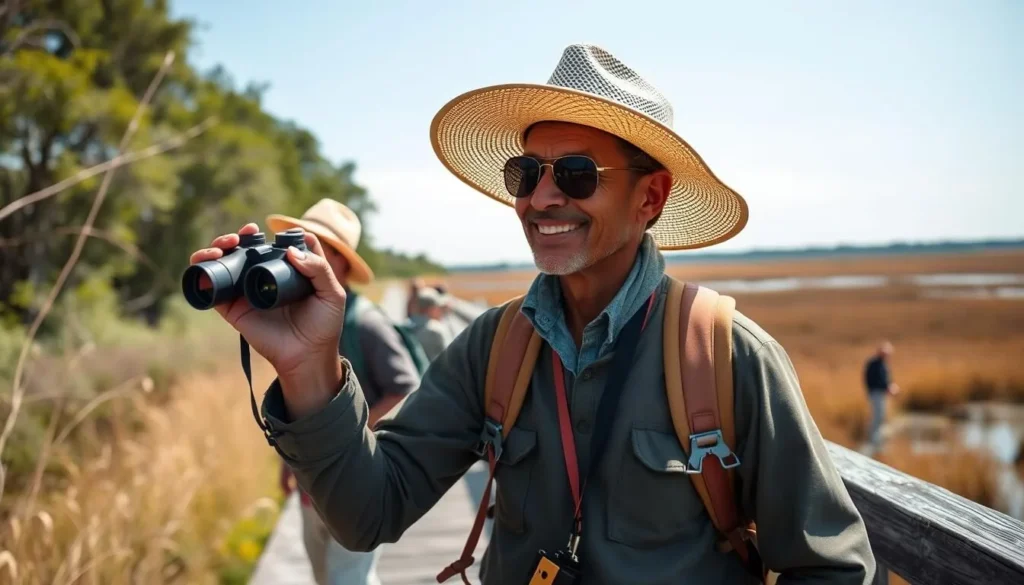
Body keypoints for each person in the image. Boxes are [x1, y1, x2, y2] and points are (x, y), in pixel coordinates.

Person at [190, 44, 875, 585]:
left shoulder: (727, 356)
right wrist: (310, 365)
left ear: (650, 199)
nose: (541, 198)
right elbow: (369, 510)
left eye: (576, 174)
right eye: (526, 173)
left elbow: (832, 567)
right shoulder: (496, 346)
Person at [265, 198, 421, 585]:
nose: (297, 257)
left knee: (350, 578)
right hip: (312, 484)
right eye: (296, 245)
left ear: (341, 263)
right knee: (326, 576)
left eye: (313, 247)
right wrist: (292, 463)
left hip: (357, 477)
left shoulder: (366, 323)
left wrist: (347, 433)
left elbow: (407, 387)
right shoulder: (296, 320)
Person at [864, 341, 899, 452]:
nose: (887, 356)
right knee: (878, 416)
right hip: (876, 393)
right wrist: (888, 387)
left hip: (880, 393)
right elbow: (876, 380)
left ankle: (876, 441)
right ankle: (873, 442)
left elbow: (885, 379)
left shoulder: (882, 364)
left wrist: (889, 386)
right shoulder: (875, 364)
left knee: (881, 416)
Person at [406, 287, 454, 362]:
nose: (440, 311)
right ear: (431, 309)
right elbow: (451, 361)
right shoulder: (437, 330)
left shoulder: (404, 328)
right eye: (438, 308)